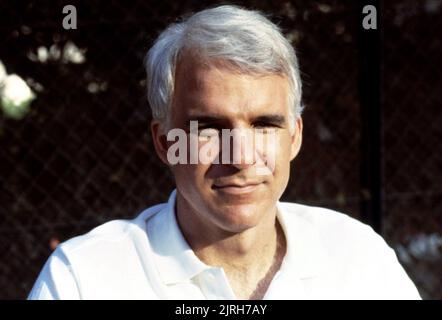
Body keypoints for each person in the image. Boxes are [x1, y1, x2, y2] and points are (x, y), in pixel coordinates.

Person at [28, 5, 420, 300]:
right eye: (211, 128)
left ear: (295, 137)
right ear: (165, 142)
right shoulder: (84, 279)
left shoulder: (359, 258)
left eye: (265, 124)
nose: (242, 156)